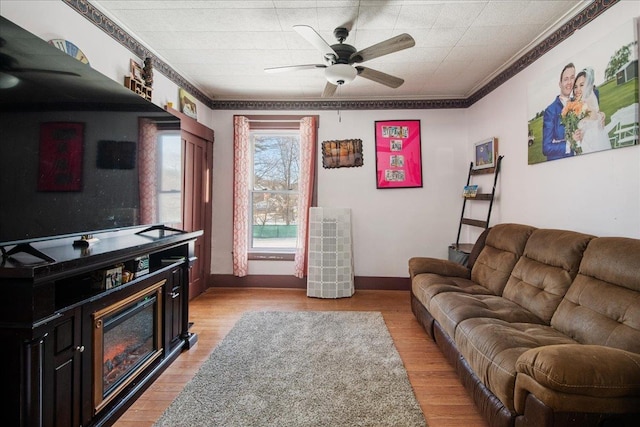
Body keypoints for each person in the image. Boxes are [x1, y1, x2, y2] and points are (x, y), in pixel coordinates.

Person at [542, 63, 581, 160]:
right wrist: (570, 143)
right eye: (566, 79)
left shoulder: (578, 104)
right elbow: (546, 148)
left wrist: (600, 114)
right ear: (560, 84)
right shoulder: (550, 111)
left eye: (572, 78)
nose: (569, 82)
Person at [573, 67, 610, 153]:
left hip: (594, 146)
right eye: (576, 86)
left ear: (588, 86)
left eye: (581, 85)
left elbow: (594, 118)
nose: (578, 89)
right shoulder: (578, 104)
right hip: (586, 145)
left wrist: (601, 115)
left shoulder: (588, 102)